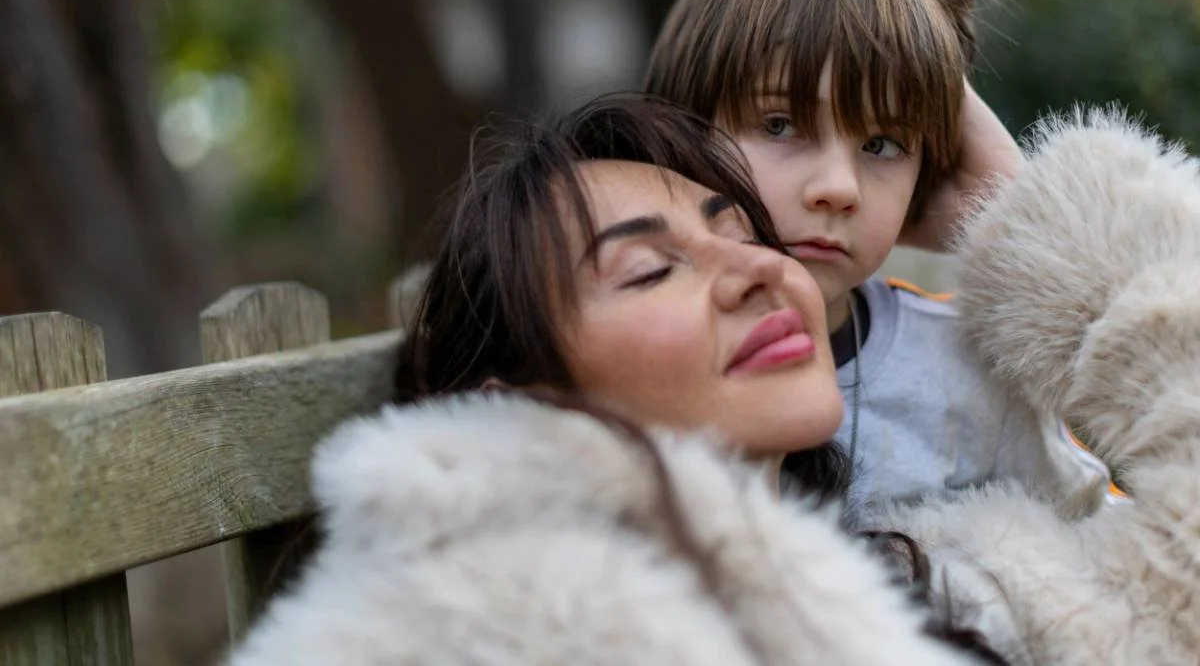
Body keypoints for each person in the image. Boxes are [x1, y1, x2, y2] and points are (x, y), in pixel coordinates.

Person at [227, 95, 1200, 665]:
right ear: (521, 401)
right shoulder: (450, 631)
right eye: (650, 268)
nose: (760, 269)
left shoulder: (932, 581)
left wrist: (1004, 197)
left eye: (738, 230)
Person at [643, 0, 1114, 512]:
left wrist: (1017, 215)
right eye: (779, 125)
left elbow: (1105, 560)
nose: (839, 188)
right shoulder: (629, 362)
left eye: (883, 144)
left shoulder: (965, 371)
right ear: (677, 137)